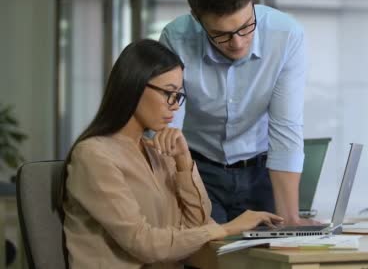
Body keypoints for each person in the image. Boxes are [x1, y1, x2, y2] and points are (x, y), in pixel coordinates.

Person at [61, 39, 282, 268]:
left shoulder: (158, 150)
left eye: (178, 95)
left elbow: (197, 225)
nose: (175, 106)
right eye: (168, 93)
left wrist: (184, 162)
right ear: (133, 86)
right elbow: (143, 243)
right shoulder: (94, 155)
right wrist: (227, 228)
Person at [159, 0, 311, 225]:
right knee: (207, 257)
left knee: (267, 258)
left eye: (245, 27)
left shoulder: (286, 35)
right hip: (199, 168)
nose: (238, 44)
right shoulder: (176, 39)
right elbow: (169, 128)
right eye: (221, 34)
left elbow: (285, 128)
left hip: (261, 169)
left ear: (252, 3)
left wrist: (290, 219)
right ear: (197, 19)